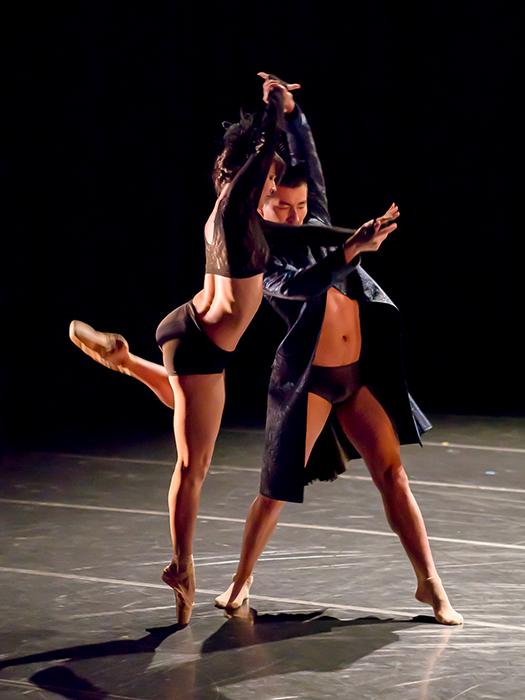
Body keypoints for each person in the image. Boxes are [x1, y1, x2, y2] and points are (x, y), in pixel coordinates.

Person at [214, 76, 463, 625]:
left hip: (359, 375)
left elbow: (310, 159)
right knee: (277, 487)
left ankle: (429, 583)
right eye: (281, 205)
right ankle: (241, 579)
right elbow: (298, 287)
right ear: (261, 201)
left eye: (301, 204)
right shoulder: (259, 251)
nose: (295, 214)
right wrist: (350, 251)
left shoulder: (318, 224)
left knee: (393, 474)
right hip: (311, 380)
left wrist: (293, 113)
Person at [70, 77, 294, 626]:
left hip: (191, 330)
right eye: (268, 178)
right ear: (248, 172)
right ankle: (181, 565)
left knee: (186, 405)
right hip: (200, 344)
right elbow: (260, 157)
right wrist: (274, 111)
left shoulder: (225, 213)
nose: (273, 187)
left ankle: (124, 359)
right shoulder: (235, 209)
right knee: (192, 467)